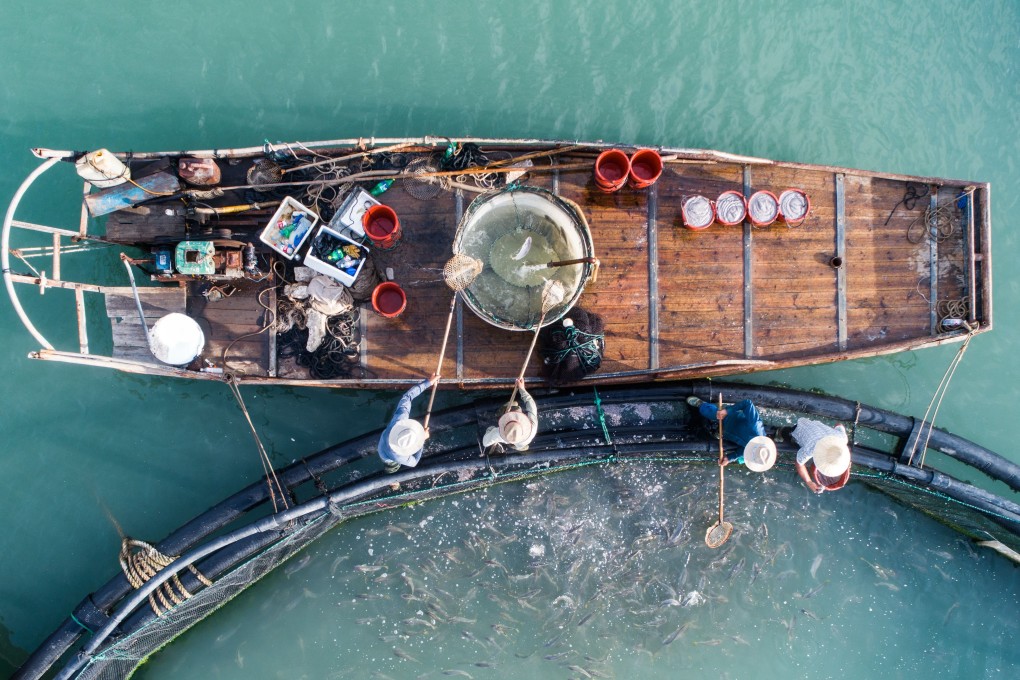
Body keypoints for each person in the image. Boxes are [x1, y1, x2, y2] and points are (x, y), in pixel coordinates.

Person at [687, 396, 777, 472]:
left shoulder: (752, 450)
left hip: (727, 434)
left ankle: (718, 432)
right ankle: (701, 404)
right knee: (711, 413)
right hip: (727, 418)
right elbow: (747, 404)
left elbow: (743, 452)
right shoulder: (755, 426)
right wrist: (727, 411)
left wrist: (729, 458)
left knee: (712, 436)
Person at [377, 374, 439, 473]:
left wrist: (422, 439)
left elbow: (414, 463)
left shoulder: (399, 419)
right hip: (385, 453)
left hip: (384, 451)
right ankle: (391, 471)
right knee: (392, 469)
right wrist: (428, 383)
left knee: (391, 468)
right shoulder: (398, 421)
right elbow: (407, 397)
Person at [791, 417, 851, 493]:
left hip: (815, 423)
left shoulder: (843, 438)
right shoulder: (811, 449)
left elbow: (839, 424)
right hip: (798, 427)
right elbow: (799, 463)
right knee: (786, 435)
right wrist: (809, 482)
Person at [482, 378, 538, 453]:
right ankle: (521, 448)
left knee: (513, 404)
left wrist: (491, 429)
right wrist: (522, 389)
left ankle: (515, 446)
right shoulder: (533, 427)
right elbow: (531, 404)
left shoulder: (498, 434)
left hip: (512, 441)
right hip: (523, 442)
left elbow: (485, 443)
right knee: (521, 446)